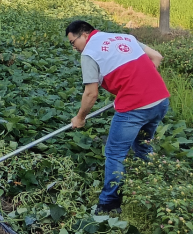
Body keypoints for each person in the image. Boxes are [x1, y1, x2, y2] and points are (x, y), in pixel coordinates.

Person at [66, 20, 170, 214]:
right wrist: (140, 83)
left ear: (84, 35)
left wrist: (80, 118)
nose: (74, 48)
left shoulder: (89, 53)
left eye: (73, 43)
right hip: (160, 100)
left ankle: (109, 204)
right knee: (142, 146)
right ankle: (158, 185)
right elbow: (157, 57)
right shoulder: (124, 37)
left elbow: (91, 94)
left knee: (115, 154)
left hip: (135, 107)